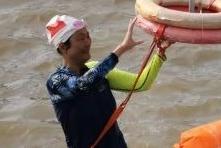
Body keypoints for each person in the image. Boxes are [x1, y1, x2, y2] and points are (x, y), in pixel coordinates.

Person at [46, 15, 171, 148]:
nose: (88, 42)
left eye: (88, 36)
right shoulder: (56, 82)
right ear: (63, 47)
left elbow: (140, 83)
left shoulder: (97, 70)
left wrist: (160, 52)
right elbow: (83, 84)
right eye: (81, 38)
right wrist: (122, 48)